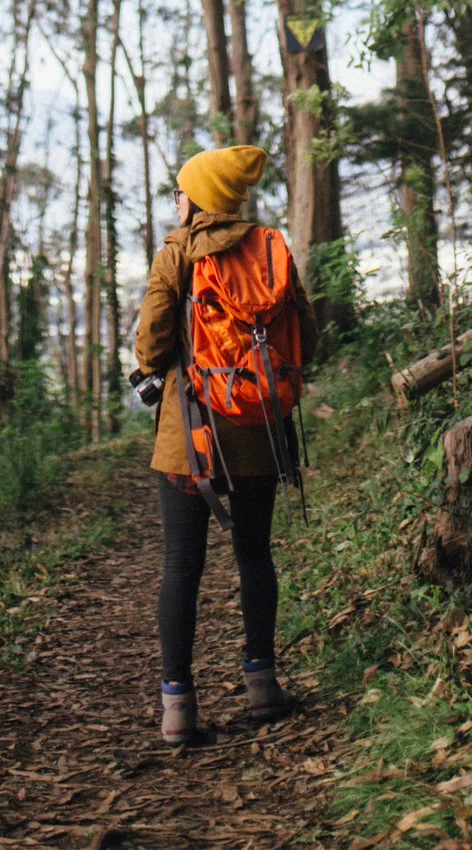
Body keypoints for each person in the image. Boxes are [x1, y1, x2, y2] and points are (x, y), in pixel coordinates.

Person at [133, 143, 319, 745]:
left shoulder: (178, 254)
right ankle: (262, 685)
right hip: (260, 430)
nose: (177, 200)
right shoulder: (271, 248)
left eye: (182, 191)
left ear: (200, 198)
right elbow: (307, 335)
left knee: (182, 565)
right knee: (255, 555)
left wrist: (157, 369)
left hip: (190, 436)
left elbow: (152, 347)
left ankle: (178, 708)